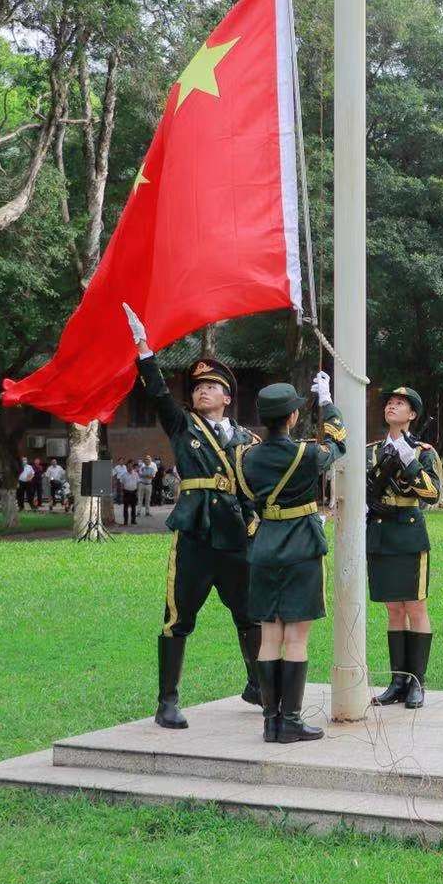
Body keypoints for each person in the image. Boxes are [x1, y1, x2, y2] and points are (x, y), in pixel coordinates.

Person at [124, 302, 263, 730]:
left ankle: (257, 684)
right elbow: (158, 394)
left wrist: (257, 524)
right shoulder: (183, 426)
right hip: (195, 535)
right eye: (199, 386)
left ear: (227, 397)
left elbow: (256, 486)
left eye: (212, 386)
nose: (202, 391)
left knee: (249, 614)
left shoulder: (248, 438)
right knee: (178, 617)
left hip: (237, 536)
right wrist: (144, 349)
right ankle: (167, 702)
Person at [233, 376, 343, 742]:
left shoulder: (246, 457)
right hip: (301, 547)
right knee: (295, 638)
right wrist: (327, 402)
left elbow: (247, 497)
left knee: (269, 636)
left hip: (264, 546)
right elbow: (339, 443)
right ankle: (291, 721)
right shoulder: (307, 454)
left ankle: (270, 722)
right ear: (293, 417)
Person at [366, 386, 442, 710]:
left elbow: (432, 494)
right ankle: (397, 681)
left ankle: (416, 682)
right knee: (394, 610)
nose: (392, 406)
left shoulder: (423, 452)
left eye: (400, 404)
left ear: (412, 415)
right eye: (390, 402)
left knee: (415, 608)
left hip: (409, 533)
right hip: (381, 533)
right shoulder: (372, 451)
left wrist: (410, 461)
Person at [119, 460, 141, 525]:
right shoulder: (124, 475)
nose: (129, 467)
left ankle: (133, 520)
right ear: (126, 467)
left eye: (131, 466)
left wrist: (138, 491)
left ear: (132, 467)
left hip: (134, 492)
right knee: (125, 507)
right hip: (126, 492)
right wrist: (122, 492)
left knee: (133, 507)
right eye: (128, 466)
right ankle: (125, 521)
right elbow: (122, 484)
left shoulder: (136, 474)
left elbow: (138, 483)